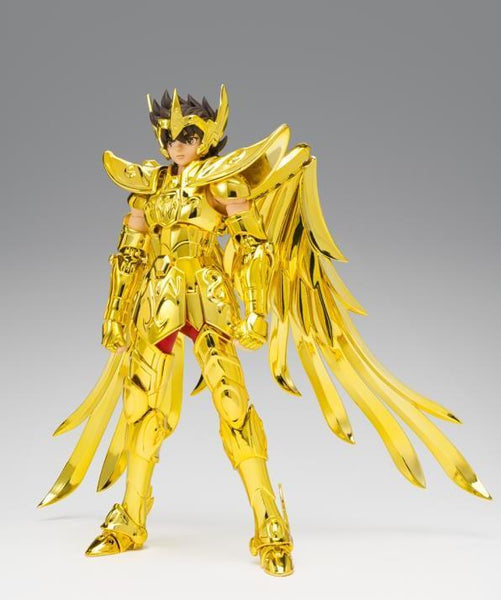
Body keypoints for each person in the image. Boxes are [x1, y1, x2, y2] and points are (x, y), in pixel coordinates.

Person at [40, 85, 490, 577]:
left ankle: (269, 521)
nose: (176, 145)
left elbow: (254, 246)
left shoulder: (224, 184)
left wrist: (256, 310)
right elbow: (129, 251)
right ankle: (130, 517)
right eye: (168, 137)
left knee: (233, 407)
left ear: (208, 137)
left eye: (188, 136)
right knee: (140, 408)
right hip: (157, 304)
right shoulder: (148, 186)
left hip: (209, 302)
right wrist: (114, 312)